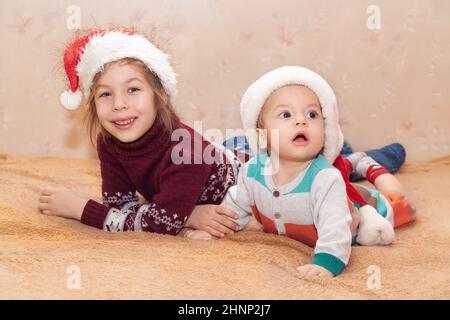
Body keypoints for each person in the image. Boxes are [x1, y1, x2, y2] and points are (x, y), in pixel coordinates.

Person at [186, 66, 416, 278]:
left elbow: (335, 228)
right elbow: (235, 206)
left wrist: (327, 262)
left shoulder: (324, 178)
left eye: (312, 115)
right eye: (286, 115)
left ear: (326, 133)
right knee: (349, 188)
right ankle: (356, 163)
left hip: (354, 216)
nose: (301, 121)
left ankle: (369, 168)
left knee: (380, 206)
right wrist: (214, 230)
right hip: (326, 200)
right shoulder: (252, 172)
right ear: (261, 136)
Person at [38, 29, 244, 237]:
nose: (119, 104)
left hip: (244, 169)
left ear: (161, 95)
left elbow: (157, 225)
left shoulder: (188, 155)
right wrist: (185, 216)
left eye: (133, 90)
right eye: (105, 94)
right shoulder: (109, 142)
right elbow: (120, 208)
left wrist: (79, 208)